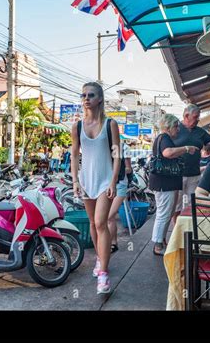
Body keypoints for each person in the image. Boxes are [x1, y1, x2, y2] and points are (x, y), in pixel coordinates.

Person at [71, 82, 120, 294]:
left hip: (105, 181)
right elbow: (74, 154)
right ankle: (100, 259)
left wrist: (113, 181)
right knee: (92, 223)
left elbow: (117, 154)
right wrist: (75, 180)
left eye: (91, 95)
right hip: (86, 181)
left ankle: (104, 274)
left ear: (99, 98)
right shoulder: (77, 126)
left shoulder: (110, 124)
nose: (86, 98)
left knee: (101, 222)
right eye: (83, 95)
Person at [149, 114, 198, 255]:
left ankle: (162, 240)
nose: (178, 129)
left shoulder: (164, 138)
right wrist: (187, 148)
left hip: (166, 183)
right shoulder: (164, 138)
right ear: (169, 127)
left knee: (167, 212)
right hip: (164, 183)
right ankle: (158, 245)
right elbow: (167, 153)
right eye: (176, 126)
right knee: (164, 213)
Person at [171, 104, 210, 225]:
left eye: (198, 117)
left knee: (193, 204)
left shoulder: (200, 132)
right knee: (177, 207)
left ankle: (191, 229)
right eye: (195, 117)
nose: (198, 120)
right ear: (186, 115)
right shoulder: (175, 129)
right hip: (176, 174)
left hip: (194, 174)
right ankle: (176, 230)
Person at [107, 140, 132, 253]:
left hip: (120, 184)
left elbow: (129, 168)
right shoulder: (103, 145)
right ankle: (113, 243)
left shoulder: (123, 147)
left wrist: (115, 172)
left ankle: (110, 243)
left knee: (108, 216)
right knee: (109, 218)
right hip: (105, 186)